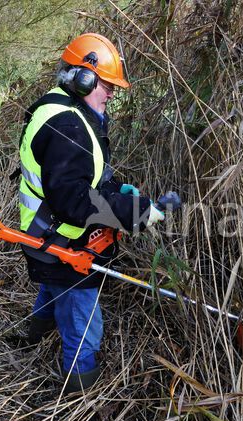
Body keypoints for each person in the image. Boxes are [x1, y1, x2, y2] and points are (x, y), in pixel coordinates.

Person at [16, 33, 165, 395]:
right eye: (107, 85)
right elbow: (74, 202)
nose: (112, 93)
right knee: (84, 324)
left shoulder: (63, 109)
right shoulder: (66, 124)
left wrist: (115, 192)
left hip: (44, 235)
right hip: (61, 239)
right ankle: (79, 393)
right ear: (82, 78)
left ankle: (30, 337)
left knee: (52, 289)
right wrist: (133, 212)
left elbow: (84, 177)